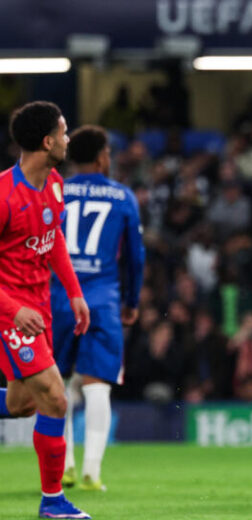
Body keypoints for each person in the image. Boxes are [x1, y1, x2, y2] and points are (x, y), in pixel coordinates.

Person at [0, 101, 92, 519]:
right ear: (47, 141)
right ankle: (53, 502)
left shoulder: (55, 182)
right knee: (56, 398)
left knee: (22, 404)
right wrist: (13, 310)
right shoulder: (3, 195)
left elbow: (52, 237)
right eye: (64, 130)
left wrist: (74, 293)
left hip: (39, 308)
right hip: (10, 310)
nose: (68, 138)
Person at [50, 125, 145, 493]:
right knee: (97, 384)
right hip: (102, 299)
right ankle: (91, 470)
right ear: (103, 157)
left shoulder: (55, 190)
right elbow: (135, 257)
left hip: (57, 297)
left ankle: (65, 467)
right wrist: (132, 302)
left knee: (55, 386)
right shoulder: (122, 196)